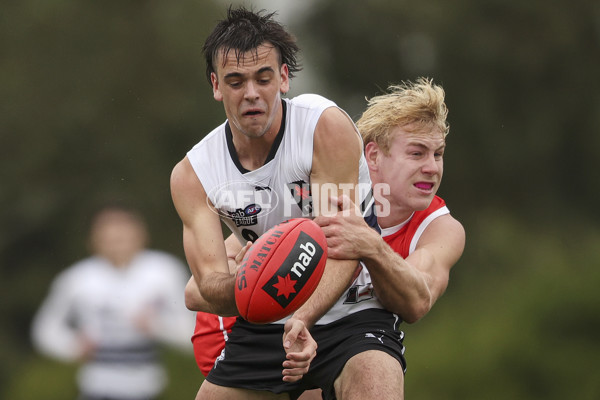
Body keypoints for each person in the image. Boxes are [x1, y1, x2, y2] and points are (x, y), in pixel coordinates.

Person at [170, 6, 409, 400]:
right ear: (216, 86)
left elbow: (345, 246)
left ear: (282, 78)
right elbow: (210, 284)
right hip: (266, 320)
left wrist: (302, 316)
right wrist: (250, 282)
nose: (251, 93)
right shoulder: (193, 174)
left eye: (263, 78)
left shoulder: (322, 127)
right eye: (235, 81)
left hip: (353, 311)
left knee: (375, 386)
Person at [314, 78, 466, 397]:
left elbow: (416, 301)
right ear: (373, 156)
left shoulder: (441, 228)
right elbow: (212, 278)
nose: (432, 168)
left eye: (438, 154)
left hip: (350, 345)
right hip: (251, 340)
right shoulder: (326, 194)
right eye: (417, 153)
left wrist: (370, 247)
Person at [31, 203, 195, 400]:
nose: (117, 243)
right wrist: (73, 346)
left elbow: (193, 333)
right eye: (109, 237)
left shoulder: (164, 271)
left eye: (123, 236)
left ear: (141, 235)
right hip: (96, 386)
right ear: (93, 239)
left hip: (148, 387)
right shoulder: (76, 278)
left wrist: (157, 326)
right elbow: (44, 330)